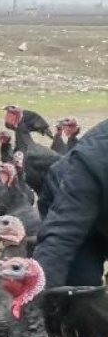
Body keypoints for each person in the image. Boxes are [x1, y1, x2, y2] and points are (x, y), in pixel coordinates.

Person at [33, 118, 108, 288]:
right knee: (78, 288)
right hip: (72, 205)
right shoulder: (93, 160)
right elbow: (60, 240)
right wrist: (35, 305)